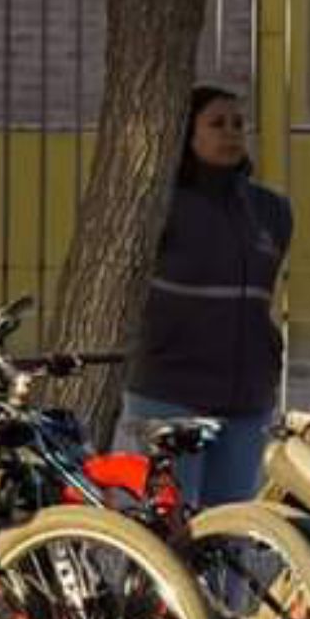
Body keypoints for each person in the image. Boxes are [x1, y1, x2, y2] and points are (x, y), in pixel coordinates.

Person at [123, 85, 292, 514]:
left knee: (230, 527)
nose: (231, 133)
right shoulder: (161, 205)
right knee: (172, 524)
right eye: (217, 124)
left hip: (246, 397)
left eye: (238, 124)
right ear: (188, 134)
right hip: (171, 392)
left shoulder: (270, 209)